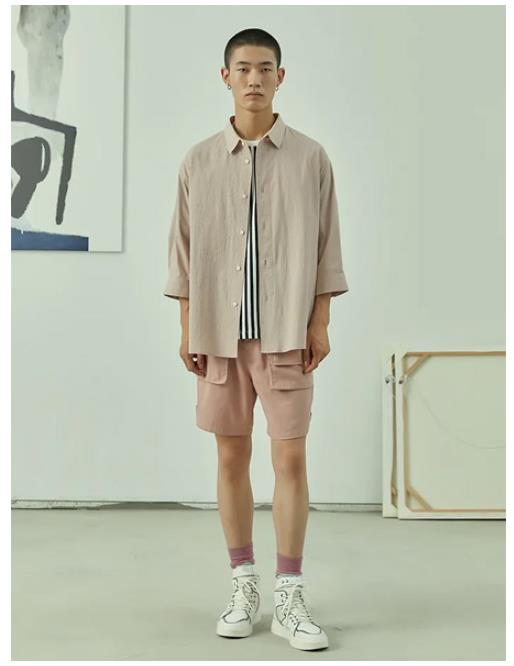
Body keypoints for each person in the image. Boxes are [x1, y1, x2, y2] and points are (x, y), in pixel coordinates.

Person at [163, 28, 349, 651]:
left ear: (280, 77)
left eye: (265, 68)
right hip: (218, 335)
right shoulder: (197, 161)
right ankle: (243, 584)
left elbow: (327, 245)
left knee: (290, 459)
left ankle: (289, 593)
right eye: (242, 68)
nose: (253, 79)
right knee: (229, 458)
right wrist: (187, 326)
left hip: (286, 334)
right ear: (226, 77)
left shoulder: (310, 157)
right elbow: (182, 252)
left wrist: (320, 320)